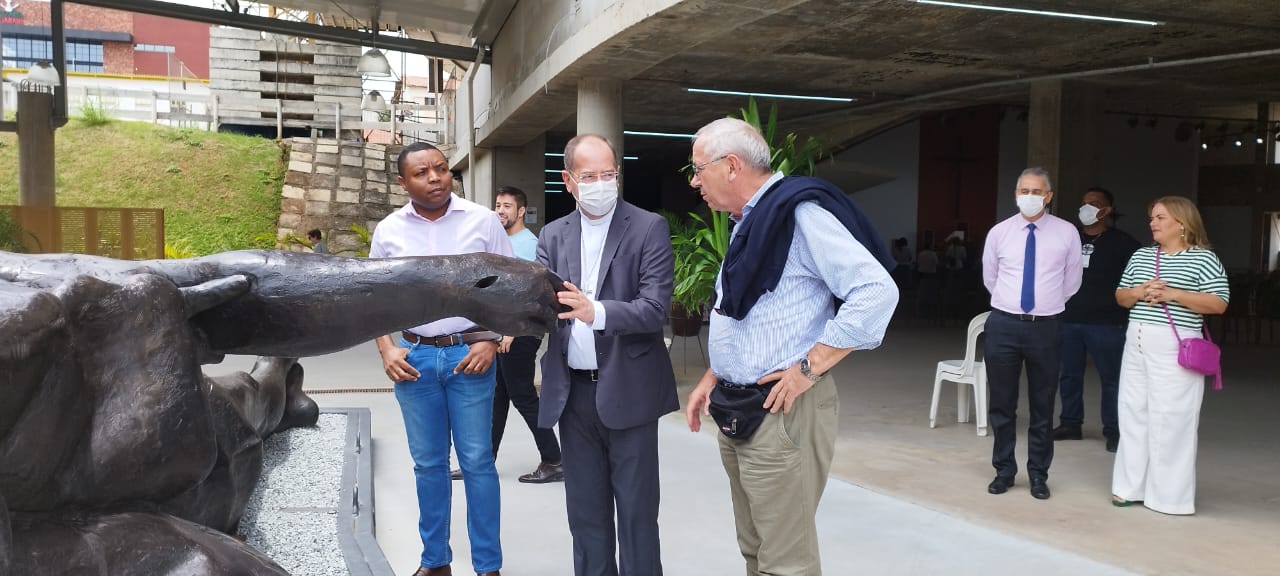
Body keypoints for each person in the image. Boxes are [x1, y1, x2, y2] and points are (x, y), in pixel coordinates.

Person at [683, 118, 898, 575]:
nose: (694, 180)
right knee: (756, 549)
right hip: (737, 405)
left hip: (782, 412)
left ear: (732, 166)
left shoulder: (798, 216)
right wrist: (714, 373)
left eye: (699, 169)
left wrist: (810, 367)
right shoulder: (752, 222)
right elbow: (747, 313)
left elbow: (876, 291)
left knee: (786, 562)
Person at [536, 134, 678, 576]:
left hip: (629, 392)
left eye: (609, 174)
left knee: (636, 516)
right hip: (573, 395)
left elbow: (655, 310)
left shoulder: (647, 227)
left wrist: (593, 311)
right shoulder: (553, 235)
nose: (601, 184)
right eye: (589, 176)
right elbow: (538, 307)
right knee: (586, 517)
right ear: (568, 181)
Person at [370, 142, 511, 576]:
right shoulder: (389, 231)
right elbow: (372, 297)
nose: (434, 178)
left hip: (470, 357)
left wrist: (489, 340)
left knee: (477, 463)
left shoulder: (483, 221)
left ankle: (488, 566)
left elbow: (510, 285)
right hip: (413, 360)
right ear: (402, 182)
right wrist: (387, 348)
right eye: (421, 173)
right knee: (428, 465)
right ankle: (436, 563)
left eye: (441, 169)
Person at [1111, 196, 1228, 515]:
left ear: (1182, 223)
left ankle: (1169, 497)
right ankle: (1128, 487)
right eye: (1152, 217)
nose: (1153, 223)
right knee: (1132, 412)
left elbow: (1219, 303)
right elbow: (1121, 296)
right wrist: (1140, 292)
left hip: (1176, 348)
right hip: (1135, 343)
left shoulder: (1204, 259)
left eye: (1161, 217)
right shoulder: (1141, 256)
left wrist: (1173, 293)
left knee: (1172, 419)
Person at [981, 167, 1082, 501]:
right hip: (1004, 324)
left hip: (1046, 326)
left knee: (1042, 404)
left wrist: (1045, 304)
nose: (1029, 197)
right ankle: (1004, 470)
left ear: (1048, 196)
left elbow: (1071, 282)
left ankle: (1039, 474)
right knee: (1002, 403)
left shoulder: (1067, 233)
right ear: (1015, 194)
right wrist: (1013, 306)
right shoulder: (999, 233)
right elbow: (990, 278)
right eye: (1024, 190)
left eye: (1037, 191)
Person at [1053, 187, 1140, 452]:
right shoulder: (1070, 239)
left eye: (1093, 203)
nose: (1086, 208)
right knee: (1069, 375)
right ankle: (1070, 423)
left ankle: (1114, 429)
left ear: (1106, 210)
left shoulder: (1124, 244)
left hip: (1108, 322)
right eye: (1083, 203)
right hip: (1069, 318)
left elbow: (1136, 280)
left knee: (1111, 378)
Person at [492, 185, 564, 484]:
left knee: (522, 396)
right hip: (505, 332)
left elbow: (531, 294)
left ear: (521, 211)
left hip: (519, 332)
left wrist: (510, 331)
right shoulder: (502, 241)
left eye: (507, 206)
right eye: (497, 205)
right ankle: (483, 461)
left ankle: (554, 459)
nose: (500, 210)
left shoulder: (528, 245)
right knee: (498, 396)